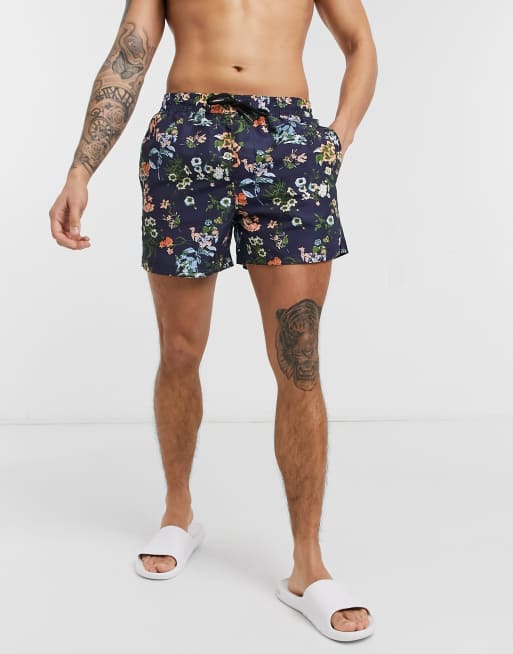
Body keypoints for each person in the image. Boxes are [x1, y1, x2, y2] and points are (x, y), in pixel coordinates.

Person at [49, 0, 378, 642]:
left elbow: (360, 44)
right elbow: (130, 54)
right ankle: (178, 513)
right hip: (185, 139)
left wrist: (336, 137)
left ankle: (307, 565)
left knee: (299, 362)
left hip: (288, 144)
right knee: (179, 349)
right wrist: (80, 169)